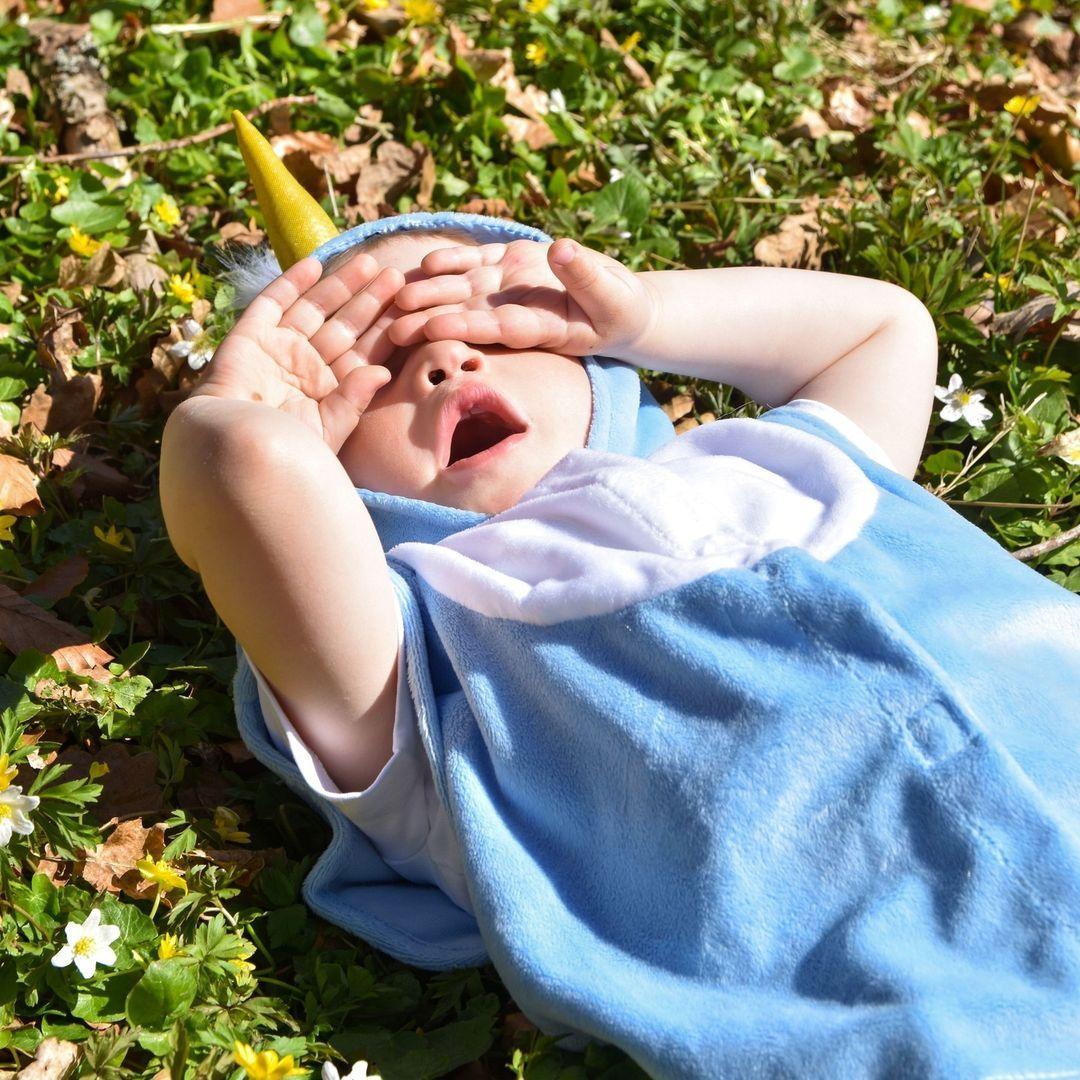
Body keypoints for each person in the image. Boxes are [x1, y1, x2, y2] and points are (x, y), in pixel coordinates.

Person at [159, 114, 1080, 1079]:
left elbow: (885, 324)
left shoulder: (771, 464)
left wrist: (639, 315)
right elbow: (249, 477)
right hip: (922, 1019)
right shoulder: (422, 650)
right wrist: (258, 411)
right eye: (375, 377)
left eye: (485, 327)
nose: (445, 362)